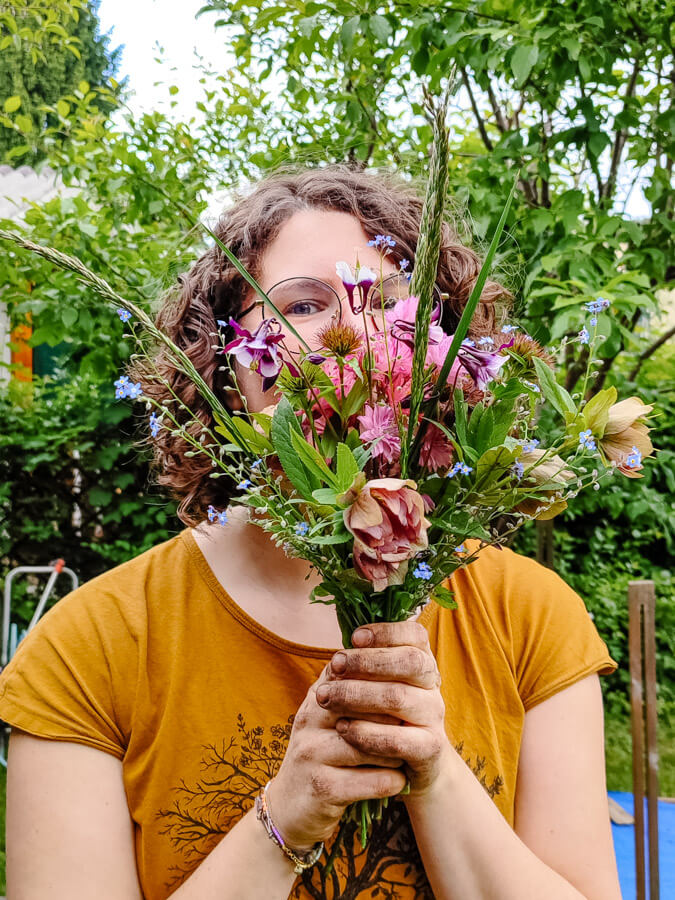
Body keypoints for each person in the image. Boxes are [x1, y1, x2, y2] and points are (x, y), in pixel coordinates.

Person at [0, 166, 622, 900]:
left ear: (445, 357)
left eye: (389, 304)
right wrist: (286, 815)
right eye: (302, 305)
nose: (354, 332)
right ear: (225, 364)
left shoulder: (530, 617)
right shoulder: (88, 649)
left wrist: (433, 774)